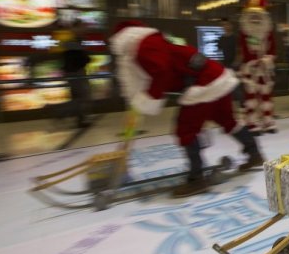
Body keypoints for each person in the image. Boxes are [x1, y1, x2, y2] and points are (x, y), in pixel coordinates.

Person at [110, 20, 264, 192]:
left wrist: (149, 97)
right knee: (227, 120)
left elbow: (161, 71)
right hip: (214, 75)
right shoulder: (151, 41)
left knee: (185, 129)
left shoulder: (142, 47)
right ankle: (254, 153)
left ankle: (196, 179)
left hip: (203, 84)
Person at [238, 0, 277, 135]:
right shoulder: (244, 31)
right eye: (252, 13)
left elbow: (273, 48)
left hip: (265, 69)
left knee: (266, 95)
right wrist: (253, 61)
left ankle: (267, 120)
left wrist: (267, 59)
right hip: (250, 68)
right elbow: (243, 49)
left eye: (258, 12)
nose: (255, 16)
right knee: (251, 96)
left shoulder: (268, 31)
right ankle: (252, 122)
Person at [60, 19, 91, 128]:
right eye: (82, 27)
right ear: (75, 28)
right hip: (75, 72)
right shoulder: (71, 42)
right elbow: (81, 59)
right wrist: (86, 58)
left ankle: (80, 119)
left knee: (79, 97)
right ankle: (61, 113)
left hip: (75, 72)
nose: (85, 29)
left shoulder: (77, 41)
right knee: (81, 96)